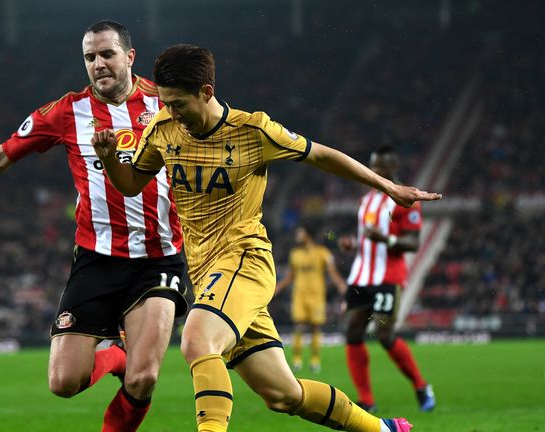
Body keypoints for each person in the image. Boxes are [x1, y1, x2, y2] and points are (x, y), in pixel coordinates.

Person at [92, 43, 442, 432]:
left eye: (179, 104)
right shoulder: (162, 129)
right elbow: (131, 184)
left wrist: (386, 185)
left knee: (196, 340)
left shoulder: (252, 130)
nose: (171, 112)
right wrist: (109, 158)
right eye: (166, 102)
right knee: (283, 395)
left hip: (246, 260)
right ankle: (384, 429)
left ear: (205, 92)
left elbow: (321, 155)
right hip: (208, 275)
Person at [0, 20, 187, 431]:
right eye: (89, 57)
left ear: (130, 57)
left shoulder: (167, 102)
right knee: (64, 383)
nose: (98, 64)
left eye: (107, 54)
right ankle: (115, 353)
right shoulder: (67, 111)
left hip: (158, 259)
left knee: (144, 376)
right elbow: (0, 156)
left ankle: (126, 368)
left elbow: (214, 134)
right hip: (96, 259)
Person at [337, 145, 436, 413]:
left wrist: (387, 239)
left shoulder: (407, 199)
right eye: (372, 165)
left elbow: (413, 243)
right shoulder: (367, 199)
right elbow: (368, 239)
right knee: (352, 331)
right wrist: (353, 243)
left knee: (383, 333)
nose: (375, 171)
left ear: (393, 167)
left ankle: (420, 385)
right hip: (360, 276)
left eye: (380, 167)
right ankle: (367, 401)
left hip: (387, 277)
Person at [275, 225, 347, 373]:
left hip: (317, 296)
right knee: (299, 327)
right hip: (300, 295)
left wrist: (341, 285)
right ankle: (297, 360)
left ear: (308, 235)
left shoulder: (323, 253)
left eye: (300, 232)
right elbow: (291, 276)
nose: (297, 235)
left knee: (316, 327)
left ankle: (315, 361)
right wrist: (278, 287)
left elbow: (332, 272)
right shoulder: (295, 254)